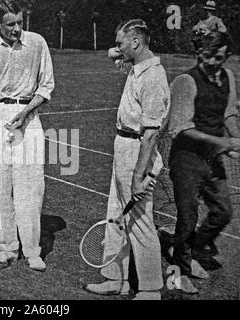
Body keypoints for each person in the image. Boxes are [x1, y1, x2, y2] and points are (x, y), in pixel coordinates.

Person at [84, 19, 170, 300]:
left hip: (137, 151)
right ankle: (115, 278)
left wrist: (139, 175)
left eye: (122, 43)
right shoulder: (137, 67)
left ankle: (150, 288)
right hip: (124, 146)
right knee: (115, 214)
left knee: (140, 219)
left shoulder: (154, 77)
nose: (117, 48)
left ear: (135, 43)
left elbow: (152, 134)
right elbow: (114, 54)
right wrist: (118, 50)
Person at [0, 0, 54, 272]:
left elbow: (47, 85)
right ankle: (7, 248)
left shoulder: (38, 43)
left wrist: (27, 110)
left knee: (31, 187)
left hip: (28, 118)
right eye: (11, 24)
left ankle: (32, 251)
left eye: (20, 22)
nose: (18, 29)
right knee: (3, 187)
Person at [166, 31, 240, 294]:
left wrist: (236, 139)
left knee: (223, 212)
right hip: (186, 159)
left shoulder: (228, 77)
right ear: (198, 53)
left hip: (212, 158)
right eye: (206, 55)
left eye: (218, 57)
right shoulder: (186, 81)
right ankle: (181, 270)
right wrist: (223, 143)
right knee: (187, 216)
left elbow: (229, 113)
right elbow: (182, 128)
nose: (211, 62)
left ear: (227, 56)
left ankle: (194, 251)